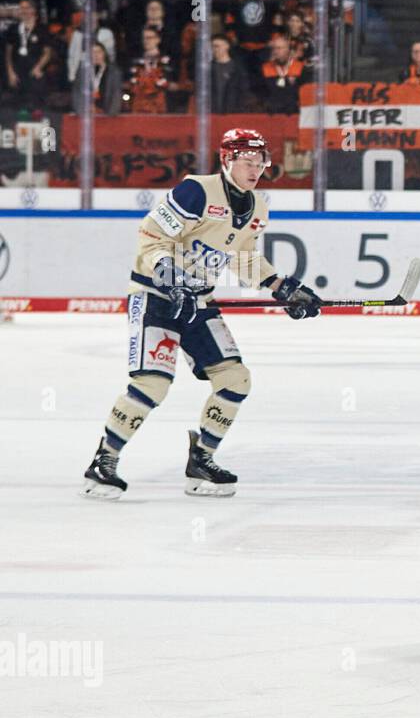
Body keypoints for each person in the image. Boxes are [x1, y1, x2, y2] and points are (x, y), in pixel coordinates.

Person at [82, 128, 324, 501]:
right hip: (155, 297)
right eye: (247, 162)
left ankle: (202, 460)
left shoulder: (257, 206)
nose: (255, 169)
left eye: (260, 163)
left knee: (235, 379)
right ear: (227, 160)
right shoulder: (195, 190)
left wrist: (282, 286)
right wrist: (169, 275)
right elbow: (151, 236)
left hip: (198, 302)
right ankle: (104, 461)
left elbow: (244, 258)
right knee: (153, 384)